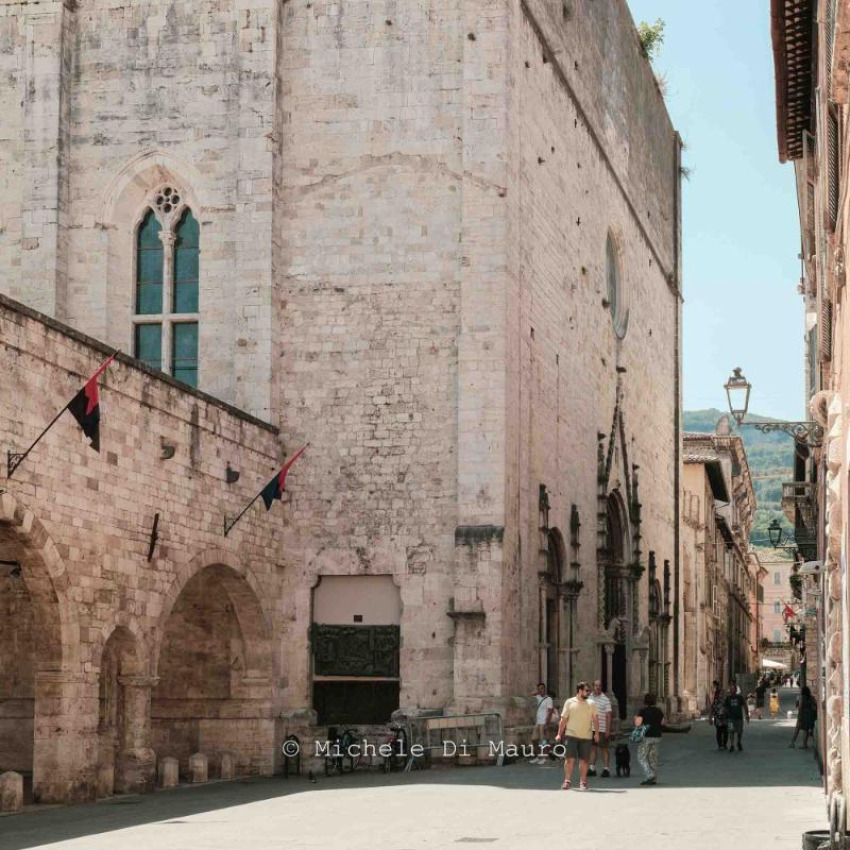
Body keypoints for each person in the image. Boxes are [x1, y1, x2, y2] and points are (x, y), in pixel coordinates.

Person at [555, 681, 599, 791]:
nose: (589, 693)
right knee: (569, 759)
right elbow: (563, 720)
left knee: (584, 760)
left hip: (586, 736)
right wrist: (559, 734)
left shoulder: (591, 703)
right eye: (586, 691)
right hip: (571, 735)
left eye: (589, 691)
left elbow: (595, 719)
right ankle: (567, 781)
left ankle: (583, 782)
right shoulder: (569, 702)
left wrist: (597, 734)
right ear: (580, 690)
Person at [634, 693, 664, 786]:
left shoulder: (642, 711)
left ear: (645, 701)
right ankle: (653, 778)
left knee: (641, 756)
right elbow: (663, 723)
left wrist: (636, 718)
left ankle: (649, 774)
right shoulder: (659, 711)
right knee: (653, 757)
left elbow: (638, 723)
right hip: (657, 736)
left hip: (646, 736)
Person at [587, 680, 613, 777]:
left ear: (601, 687)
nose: (597, 687)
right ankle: (592, 768)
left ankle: (606, 769)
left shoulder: (605, 699)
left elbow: (609, 715)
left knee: (604, 748)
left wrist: (608, 730)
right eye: (596, 685)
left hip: (602, 728)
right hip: (591, 728)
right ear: (593, 687)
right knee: (592, 748)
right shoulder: (589, 698)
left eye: (599, 685)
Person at [530, 682, 555, 764]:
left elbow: (550, 711)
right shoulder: (537, 697)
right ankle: (539, 756)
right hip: (538, 722)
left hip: (544, 721)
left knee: (543, 740)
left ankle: (544, 757)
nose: (540, 690)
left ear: (545, 689)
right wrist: (536, 692)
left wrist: (547, 724)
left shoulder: (548, 699)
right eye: (539, 689)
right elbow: (530, 696)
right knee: (534, 739)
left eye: (542, 688)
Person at [724, 681, 749, 752]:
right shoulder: (728, 698)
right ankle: (732, 745)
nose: (732, 690)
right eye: (731, 689)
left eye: (733, 689)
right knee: (731, 731)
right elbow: (725, 708)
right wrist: (725, 717)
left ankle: (738, 742)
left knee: (739, 731)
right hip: (730, 718)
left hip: (739, 718)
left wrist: (747, 715)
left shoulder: (740, 697)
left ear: (735, 690)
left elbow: (745, 706)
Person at [710, 681, 728, 751]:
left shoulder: (725, 697)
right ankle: (720, 745)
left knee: (725, 731)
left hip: (725, 716)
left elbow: (728, 705)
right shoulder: (715, 698)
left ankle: (724, 744)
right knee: (719, 731)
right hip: (718, 717)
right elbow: (712, 707)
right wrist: (710, 717)